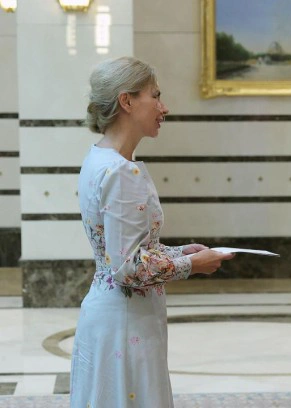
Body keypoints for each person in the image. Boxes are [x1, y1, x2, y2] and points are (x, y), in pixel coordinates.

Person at [70, 56, 235, 408]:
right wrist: (193, 265)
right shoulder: (121, 172)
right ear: (126, 101)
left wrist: (177, 252)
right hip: (126, 326)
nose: (164, 107)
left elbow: (119, 251)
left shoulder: (98, 158)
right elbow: (128, 267)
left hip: (111, 318)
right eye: (155, 96)